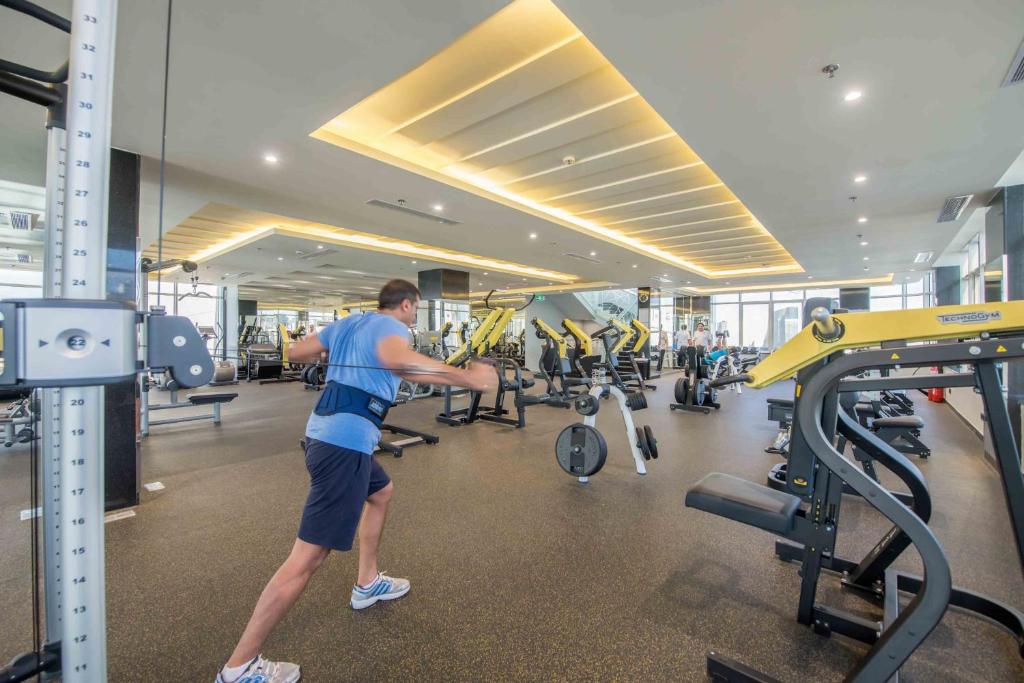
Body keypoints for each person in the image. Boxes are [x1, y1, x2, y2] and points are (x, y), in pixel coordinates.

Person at [216, 279, 496, 683]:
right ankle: (239, 668)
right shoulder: (392, 327)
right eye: (415, 309)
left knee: (381, 492)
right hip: (344, 444)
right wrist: (469, 378)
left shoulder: (349, 323)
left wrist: (337, 351)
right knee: (308, 557)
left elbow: (295, 352)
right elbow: (402, 364)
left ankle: (367, 582)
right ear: (405, 305)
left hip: (323, 432)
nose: (414, 316)